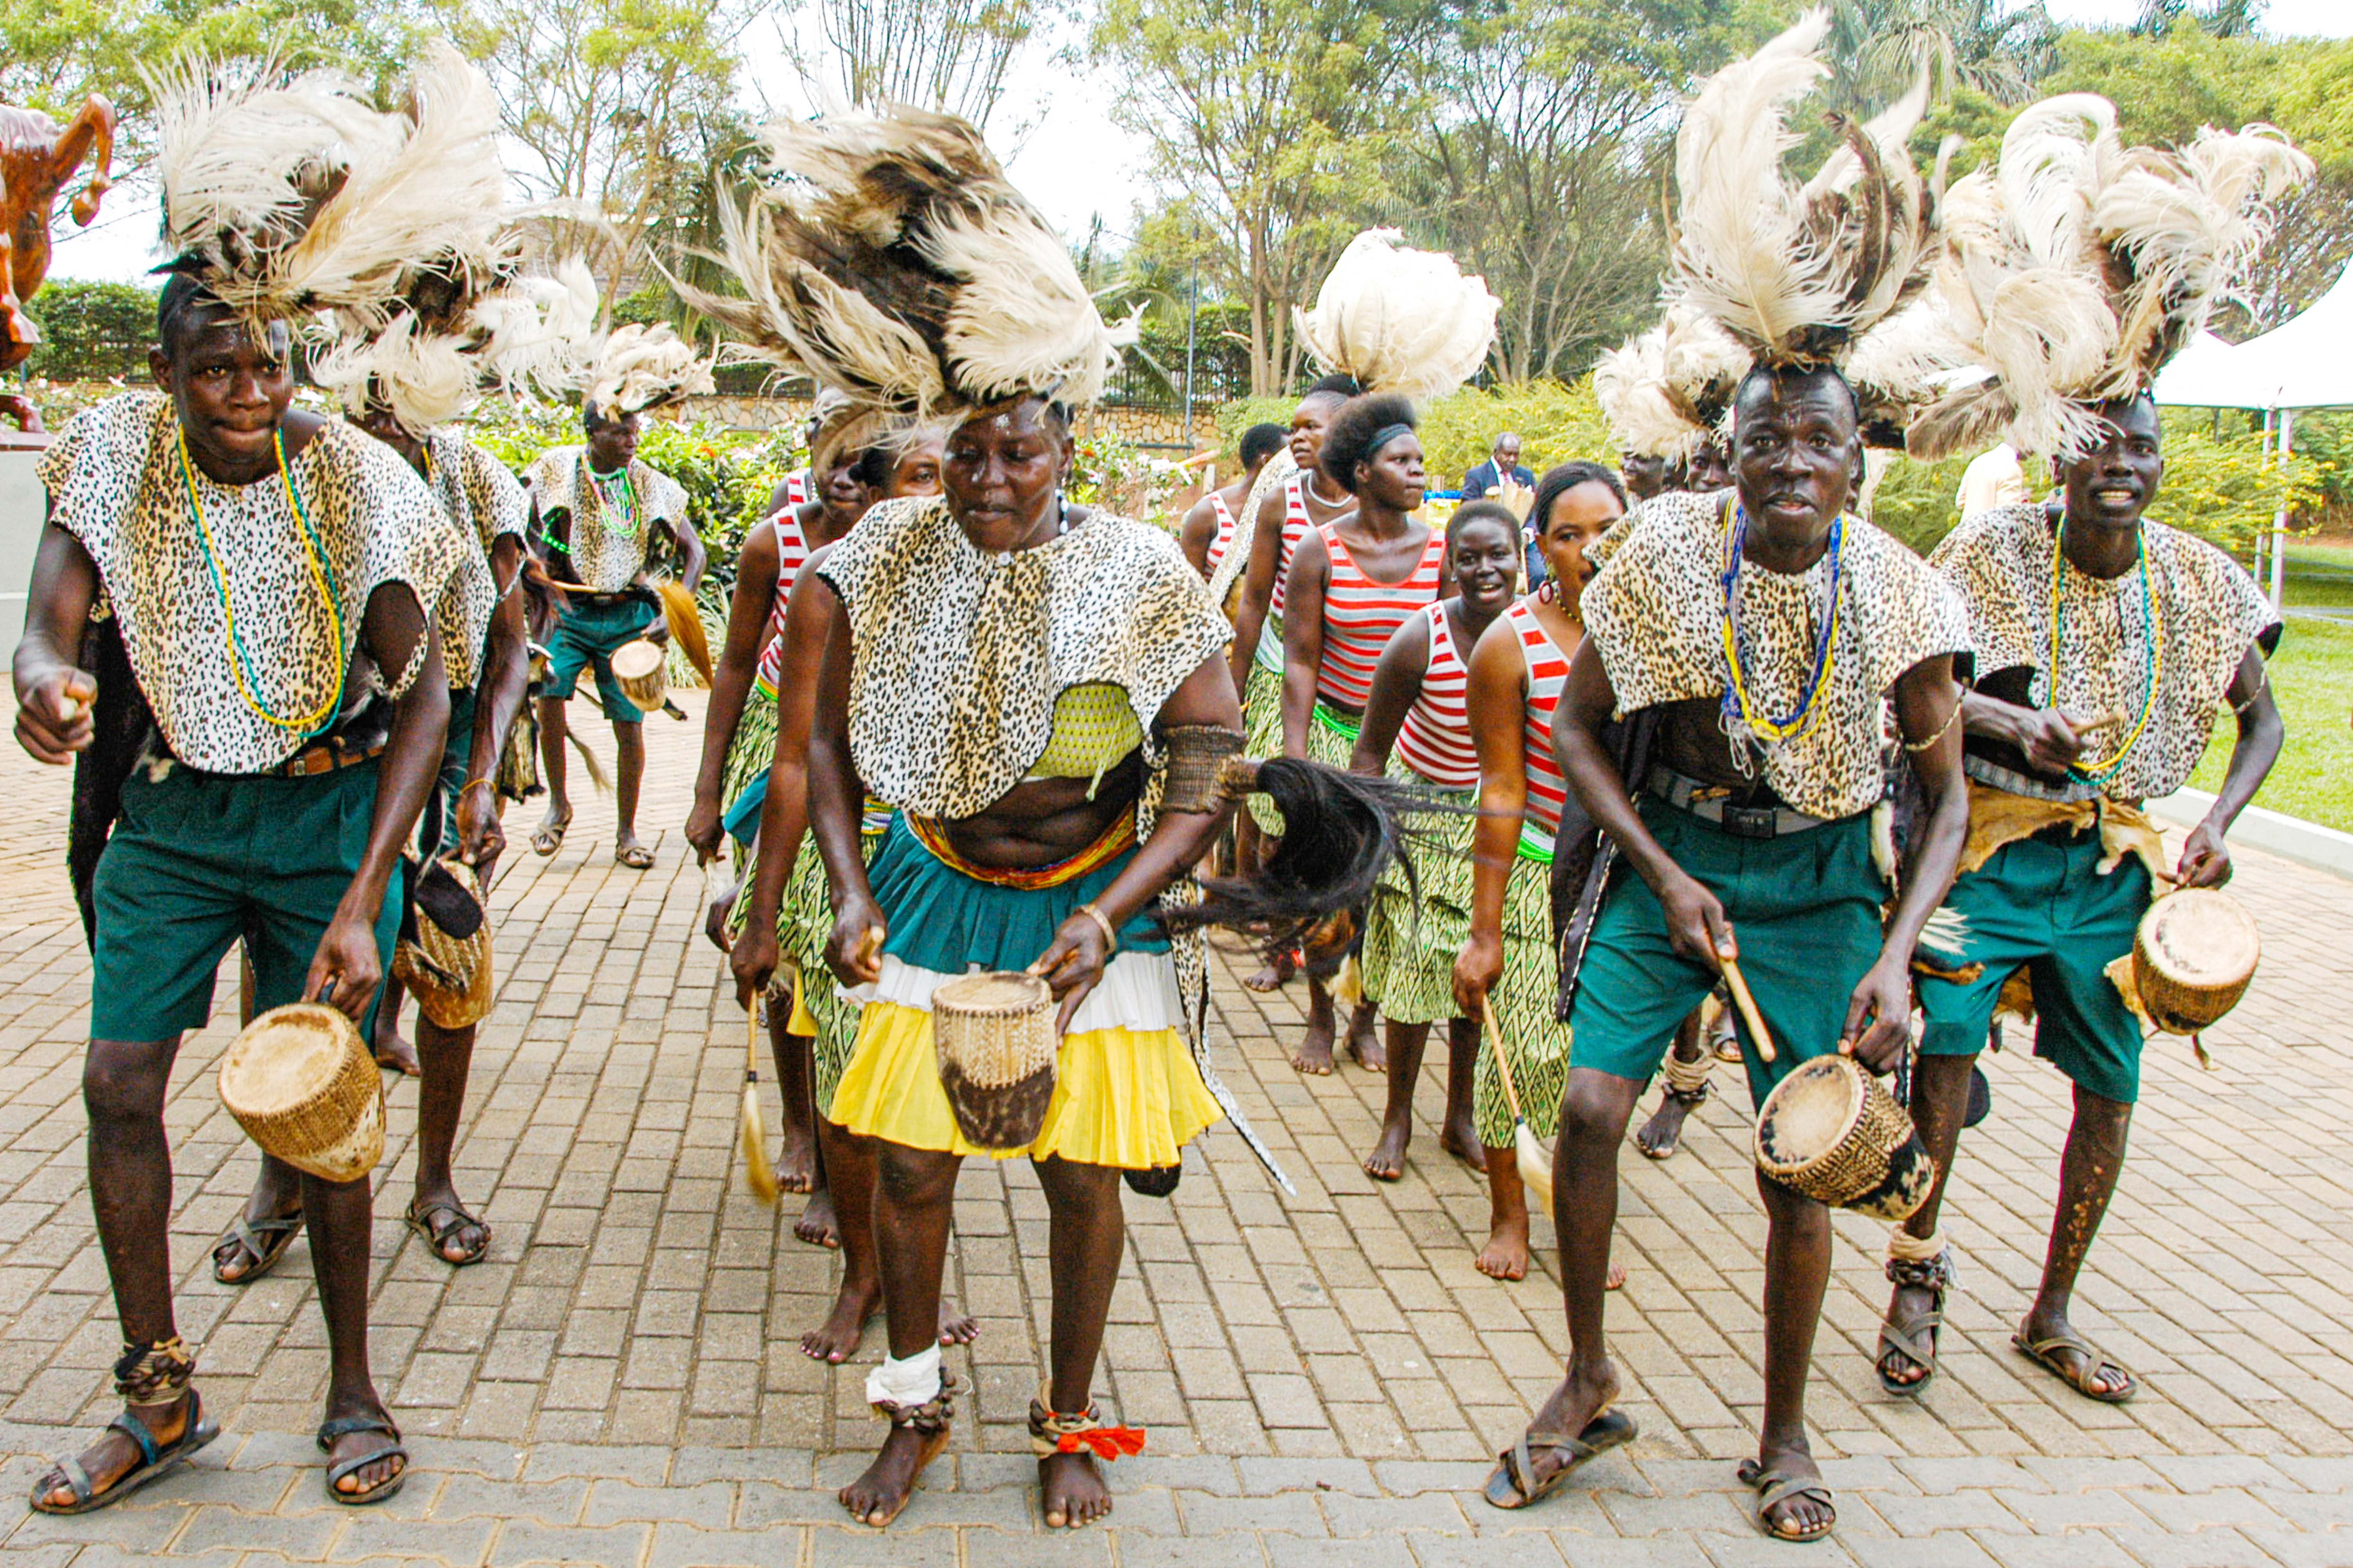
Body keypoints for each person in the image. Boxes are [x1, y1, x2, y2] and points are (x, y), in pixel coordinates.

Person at [688, 105, 1428, 1534]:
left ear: (1063, 444)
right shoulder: (868, 561)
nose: (986, 482)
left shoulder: (1142, 572)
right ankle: (911, 1404)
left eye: (1015, 455)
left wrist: (1106, 910)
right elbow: (819, 749)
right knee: (907, 1167)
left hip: (1098, 898)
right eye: (962, 456)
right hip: (933, 888)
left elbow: (1204, 758)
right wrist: (844, 891)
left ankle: (1074, 1421)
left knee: (1081, 1177)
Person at [1490, 20, 1974, 1543]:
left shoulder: (1900, 596)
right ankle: (1584, 1381)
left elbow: (1946, 797)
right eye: (1761, 434)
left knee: (1800, 1166)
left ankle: (1781, 1436)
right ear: (1733, 446)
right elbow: (1574, 738)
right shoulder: (1651, 561)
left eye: (1814, 442)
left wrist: (1897, 958)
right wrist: (1664, 866)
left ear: (1852, 463)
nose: (1784, 460)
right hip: (1674, 863)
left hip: (1828, 884)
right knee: (1582, 1106)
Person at [1875, 98, 2304, 1406]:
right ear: (2057, 456)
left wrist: (2221, 819)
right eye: (2098, 444)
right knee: (1941, 1058)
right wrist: (2010, 720)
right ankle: (1917, 1269)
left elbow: (2262, 717)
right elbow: (1925, 684)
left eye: (2142, 447)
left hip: (2108, 879)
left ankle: (2052, 1308)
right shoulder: (1994, 551)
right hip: (1987, 853)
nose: (2120, 465)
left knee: (2108, 1093)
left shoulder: (2197, 578)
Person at [16, 270, 465, 1510]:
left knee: (322, 1109)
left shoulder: (355, 481)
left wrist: (365, 899)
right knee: (116, 1084)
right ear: (166, 374)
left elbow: (424, 700)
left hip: (328, 821)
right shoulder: (116, 454)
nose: (250, 392)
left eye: (271, 364)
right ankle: (157, 1396)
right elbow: (51, 621)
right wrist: (43, 680)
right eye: (217, 368)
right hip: (170, 816)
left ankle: (354, 1391)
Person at [725, 425, 985, 1369]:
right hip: (839, 865)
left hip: (944, 864)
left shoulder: (996, 574)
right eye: (919, 475)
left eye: (944, 475)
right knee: (846, 1081)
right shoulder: (828, 579)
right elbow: (797, 758)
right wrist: (760, 915)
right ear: (875, 492)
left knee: (926, 1084)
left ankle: (913, 1270)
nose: (940, 490)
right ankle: (864, 1275)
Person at [685, 398, 898, 1198]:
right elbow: (735, 667)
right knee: (785, 947)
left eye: (864, 461)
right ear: (807, 450)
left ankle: (869, 1125)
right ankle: (802, 1124)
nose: (845, 477)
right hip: (779, 748)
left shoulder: (919, 542)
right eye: (833, 457)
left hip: (871, 760)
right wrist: (708, 790)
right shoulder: (771, 543)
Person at [1452, 467, 1621, 1281]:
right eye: (1568, 534)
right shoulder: (1507, 643)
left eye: (1604, 530)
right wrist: (1483, 931)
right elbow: (1503, 789)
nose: (1589, 550)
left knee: (1602, 1062)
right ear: (1539, 546)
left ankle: (1582, 1222)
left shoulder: (1658, 633)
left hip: (1620, 879)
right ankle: (1510, 1215)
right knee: (1515, 1051)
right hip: (1531, 873)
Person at [1348, 501, 1519, 1180]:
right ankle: (1397, 1118)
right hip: (1426, 819)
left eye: (1498, 555)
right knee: (1419, 978)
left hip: (1499, 828)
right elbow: (1369, 754)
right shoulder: (1420, 639)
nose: (1485, 570)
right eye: (1468, 557)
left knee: (1479, 978)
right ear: (1448, 564)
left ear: (1520, 556)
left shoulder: (1532, 633)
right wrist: (1378, 838)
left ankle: (1461, 1119)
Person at [1280, 392, 1447, 1074]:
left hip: (1407, 747)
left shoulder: (1440, 548)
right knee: (1327, 888)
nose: (1418, 472)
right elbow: (1300, 660)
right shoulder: (1320, 550)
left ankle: (1364, 1019)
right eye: (1400, 461)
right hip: (1330, 733)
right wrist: (1296, 759)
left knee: (1388, 892)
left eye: (1419, 461)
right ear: (1363, 472)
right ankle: (1320, 1017)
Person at [522, 349, 707, 868]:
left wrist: (674, 610)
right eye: (620, 431)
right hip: (569, 614)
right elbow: (526, 539)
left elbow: (696, 552)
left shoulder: (650, 485)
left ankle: (627, 832)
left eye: (635, 431)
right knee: (549, 695)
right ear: (593, 432)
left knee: (630, 722)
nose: (631, 440)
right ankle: (558, 807)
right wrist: (539, 593)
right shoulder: (557, 472)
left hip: (629, 618)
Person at [1178, 420, 1284, 582]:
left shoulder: (1290, 511)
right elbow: (1188, 588)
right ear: (1266, 461)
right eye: (1289, 457)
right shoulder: (1209, 513)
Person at [1954, 441, 2026, 519]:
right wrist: (2022, 506)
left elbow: (1960, 502)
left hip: (1968, 529)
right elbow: (2008, 516)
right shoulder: (2012, 469)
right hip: (1990, 530)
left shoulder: (1978, 461)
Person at [1461, 431, 1533, 500]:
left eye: (1516, 455)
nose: (1512, 459)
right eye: (1508, 455)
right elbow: (1468, 510)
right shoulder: (1477, 476)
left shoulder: (1526, 476)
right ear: (1496, 452)